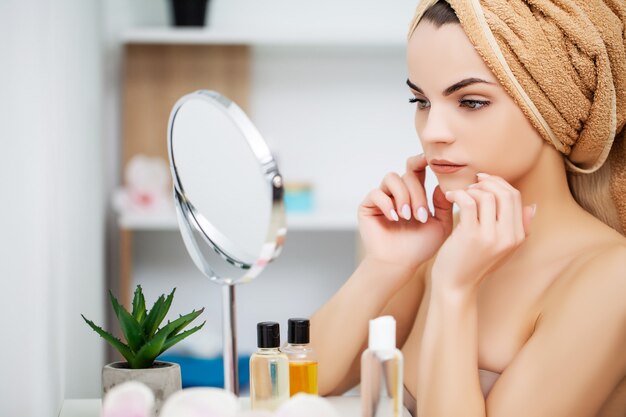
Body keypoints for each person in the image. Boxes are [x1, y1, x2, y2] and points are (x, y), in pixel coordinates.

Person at [309, 1, 626, 416]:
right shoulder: (447, 245)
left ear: (553, 109)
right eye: (420, 102)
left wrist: (454, 291)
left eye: (471, 102)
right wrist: (385, 266)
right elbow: (307, 383)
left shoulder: (612, 278)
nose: (433, 132)